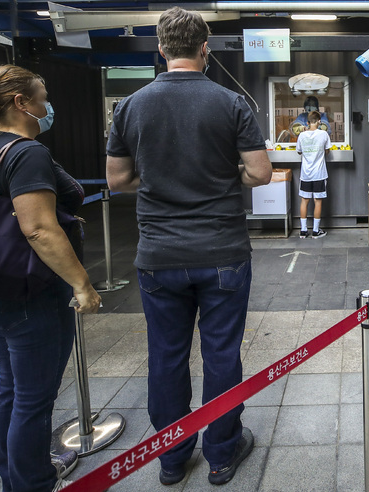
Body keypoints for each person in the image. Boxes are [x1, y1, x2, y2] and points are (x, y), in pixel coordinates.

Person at [105, 8, 272, 487]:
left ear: (160, 49)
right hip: (222, 251)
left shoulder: (132, 106)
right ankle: (221, 454)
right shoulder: (231, 102)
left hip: (158, 255)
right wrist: (222, 177)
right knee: (222, 354)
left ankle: (173, 457)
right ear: (205, 48)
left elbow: (117, 180)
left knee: (167, 355)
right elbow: (259, 173)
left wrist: (159, 180)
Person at [0, 64, 101, 491]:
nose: (47, 104)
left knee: (13, 389)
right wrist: (82, 284)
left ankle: (14, 475)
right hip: (29, 295)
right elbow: (38, 228)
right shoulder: (26, 152)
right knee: (34, 401)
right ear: (22, 103)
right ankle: (34, 481)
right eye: (42, 96)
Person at [296, 111, 331, 238]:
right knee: (318, 201)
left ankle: (303, 231)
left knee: (304, 201)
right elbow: (327, 151)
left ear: (307, 122)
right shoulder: (324, 134)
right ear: (319, 121)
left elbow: (299, 152)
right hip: (319, 174)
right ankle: (316, 231)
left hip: (306, 174)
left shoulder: (302, 135)